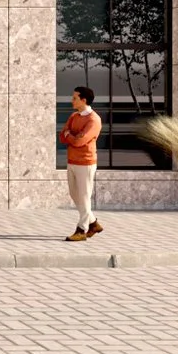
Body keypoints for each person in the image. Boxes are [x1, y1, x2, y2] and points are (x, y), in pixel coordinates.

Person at [60, 86, 104, 242]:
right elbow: (62, 136)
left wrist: (70, 135)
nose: (72, 100)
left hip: (86, 162)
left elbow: (80, 140)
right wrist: (70, 135)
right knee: (75, 195)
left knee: (84, 197)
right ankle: (93, 223)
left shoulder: (94, 120)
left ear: (83, 100)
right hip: (72, 161)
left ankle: (81, 230)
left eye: (74, 98)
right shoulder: (74, 116)